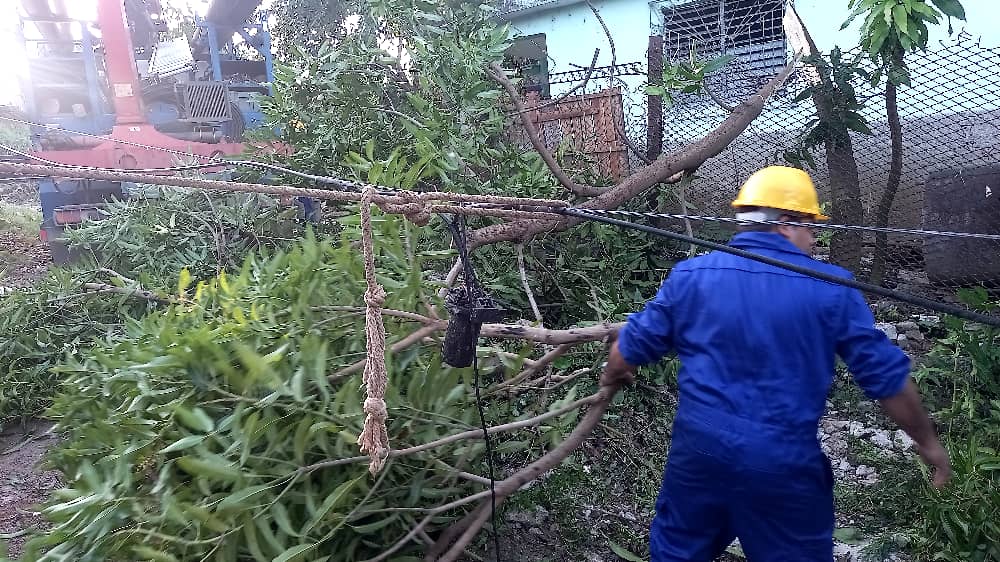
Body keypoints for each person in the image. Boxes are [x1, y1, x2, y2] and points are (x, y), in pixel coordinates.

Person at [600, 166, 951, 562]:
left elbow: (625, 352)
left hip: (699, 457)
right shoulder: (832, 287)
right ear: (787, 224)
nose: (815, 242)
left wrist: (615, 371)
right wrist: (927, 441)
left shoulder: (691, 275)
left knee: (678, 553)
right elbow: (888, 380)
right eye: (812, 229)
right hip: (780, 466)